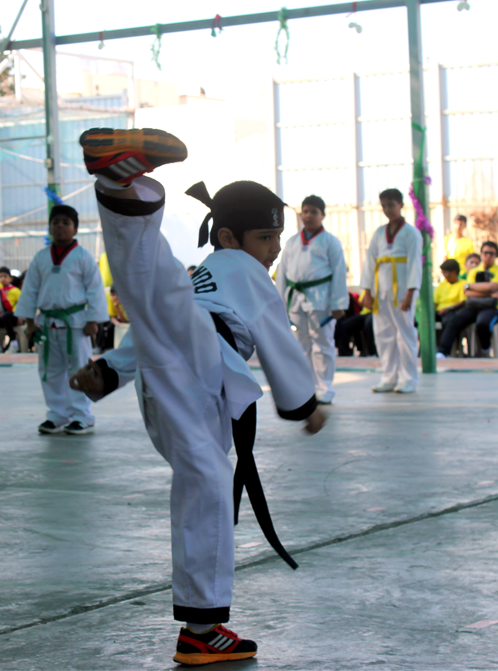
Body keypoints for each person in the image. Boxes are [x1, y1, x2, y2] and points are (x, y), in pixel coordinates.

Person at [71, 127, 324, 666]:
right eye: (265, 238)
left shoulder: (203, 274)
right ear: (229, 238)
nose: (272, 250)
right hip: (202, 370)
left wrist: (111, 371)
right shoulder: (242, 269)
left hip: (167, 386)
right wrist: (304, 402)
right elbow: (274, 335)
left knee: (154, 293)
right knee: (155, 294)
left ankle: (120, 191)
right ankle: (202, 629)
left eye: (276, 239)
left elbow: (159, 329)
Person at [14, 204, 109, 435]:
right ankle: (57, 415)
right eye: (55, 222)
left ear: (75, 229)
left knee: (80, 369)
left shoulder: (83, 256)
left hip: (75, 322)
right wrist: (29, 323)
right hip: (47, 322)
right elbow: (30, 290)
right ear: (49, 227)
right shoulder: (41, 257)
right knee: (50, 370)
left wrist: (93, 320)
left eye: (66, 223)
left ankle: (82, 416)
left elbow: (95, 289)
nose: (60, 226)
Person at [275, 194, 350, 404]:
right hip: (295, 300)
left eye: (313, 212)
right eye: (305, 211)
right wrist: (279, 302)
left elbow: (339, 273)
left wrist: (338, 304)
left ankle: (324, 388)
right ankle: (305, 388)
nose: (308, 216)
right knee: (299, 346)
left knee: (323, 344)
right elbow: (282, 273)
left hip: (321, 300)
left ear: (322, 215)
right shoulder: (291, 242)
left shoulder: (330, 242)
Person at [360, 188, 423, 393]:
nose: (388, 209)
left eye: (391, 205)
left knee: (405, 335)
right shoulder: (379, 233)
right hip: (381, 291)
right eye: (384, 206)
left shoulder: (411, 232)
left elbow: (415, 264)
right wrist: (367, 291)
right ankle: (388, 377)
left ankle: (408, 379)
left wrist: (411, 293)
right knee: (383, 334)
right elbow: (370, 263)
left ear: (401, 205)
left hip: (402, 292)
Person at [435, 241, 498, 359]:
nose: (488, 256)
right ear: (481, 253)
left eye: (491, 253)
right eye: (485, 252)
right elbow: (468, 292)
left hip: (495, 308)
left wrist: (473, 287)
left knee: (483, 323)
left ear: (496, 255)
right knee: (454, 320)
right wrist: (490, 293)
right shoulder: (474, 271)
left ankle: (485, 348)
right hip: (474, 306)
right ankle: (443, 352)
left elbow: (492, 287)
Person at [0, 267, 21, 351]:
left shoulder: (15, 291)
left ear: (11, 278)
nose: (3, 279)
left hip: (13, 317)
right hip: (0, 317)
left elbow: (21, 304)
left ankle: (14, 343)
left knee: (5, 315)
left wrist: (20, 316)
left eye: (5, 276)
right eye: (0, 276)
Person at [434, 259, 466, 349]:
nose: (444, 275)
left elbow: (463, 301)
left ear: (454, 272)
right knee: (425, 320)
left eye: (445, 272)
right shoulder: (442, 285)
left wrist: (448, 308)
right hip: (439, 311)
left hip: (453, 311)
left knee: (448, 321)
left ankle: (446, 348)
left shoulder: (463, 284)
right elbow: (435, 302)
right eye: (443, 273)